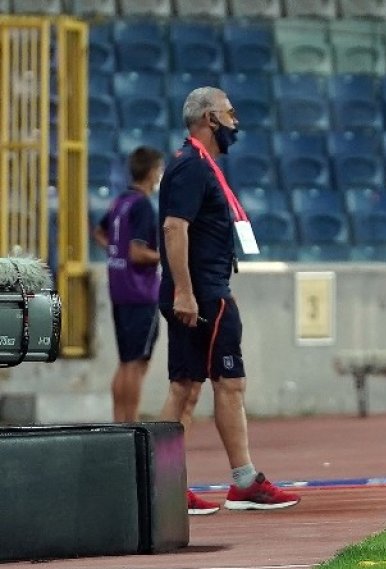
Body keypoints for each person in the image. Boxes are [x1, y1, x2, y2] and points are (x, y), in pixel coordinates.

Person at [158, 87, 299, 516]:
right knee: (202, 387)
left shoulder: (201, 167)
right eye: (229, 114)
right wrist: (185, 291)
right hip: (202, 295)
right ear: (208, 119)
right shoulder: (191, 168)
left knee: (199, 386)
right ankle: (217, 482)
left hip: (206, 292)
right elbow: (173, 229)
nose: (235, 122)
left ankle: (198, 484)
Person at [94, 146, 165, 423]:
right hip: (140, 292)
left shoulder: (120, 202)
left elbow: (99, 232)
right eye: (159, 170)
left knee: (125, 362)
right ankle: (131, 424)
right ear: (151, 173)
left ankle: (118, 422)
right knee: (136, 364)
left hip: (120, 289)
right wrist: (165, 257)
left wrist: (115, 252)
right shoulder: (143, 205)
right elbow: (137, 252)